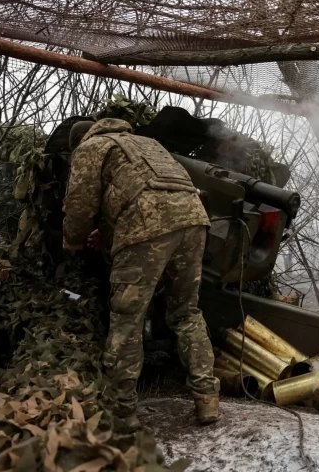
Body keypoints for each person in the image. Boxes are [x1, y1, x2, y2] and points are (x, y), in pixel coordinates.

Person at [62, 118, 220, 431]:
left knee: (127, 318)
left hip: (147, 226)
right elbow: (145, 190)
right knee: (187, 312)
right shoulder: (147, 143)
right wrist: (108, 233)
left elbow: (80, 204)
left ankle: (122, 412)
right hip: (194, 222)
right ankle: (207, 399)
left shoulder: (91, 146)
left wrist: (73, 240)